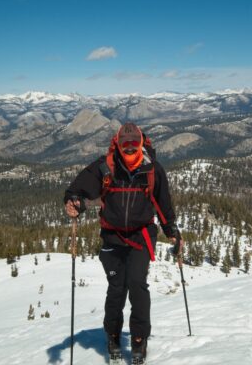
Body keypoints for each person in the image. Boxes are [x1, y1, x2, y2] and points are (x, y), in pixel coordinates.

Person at [64, 122, 181, 363]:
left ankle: (138, 338)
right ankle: (113, 334)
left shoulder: (152, 170)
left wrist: (172, 231)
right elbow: (78, 187)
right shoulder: (106, 166)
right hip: (113, 235)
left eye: (133, 145)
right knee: (117, 288)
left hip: (141, 235)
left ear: (140, 144)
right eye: (124, 145)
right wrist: (73, 200)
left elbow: (163, 203)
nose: (128, 150)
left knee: (137, 285)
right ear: (117, 144)